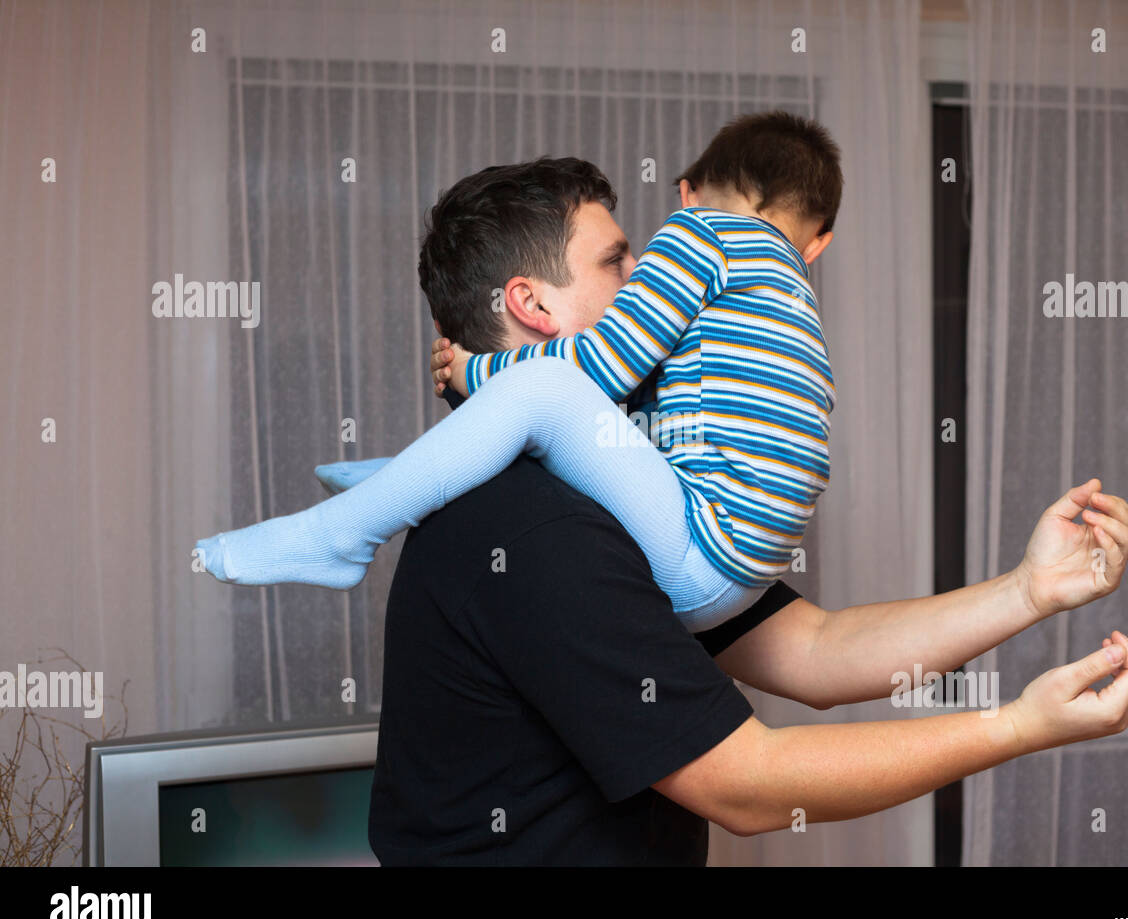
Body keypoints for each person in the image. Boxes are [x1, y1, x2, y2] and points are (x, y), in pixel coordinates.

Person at [353, 156, 1128, 863]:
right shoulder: (530, 522)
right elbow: (749, 786)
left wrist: (1030, 589)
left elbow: (814, 652)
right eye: (619, 264)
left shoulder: (618, 494)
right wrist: (1020, 725)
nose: (652, 281)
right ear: (532, 305)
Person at [193, 112, 840, 633]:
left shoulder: (700, 233)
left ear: (688, 192)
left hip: (702, 549)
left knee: (551, 388)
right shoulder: (787, 293)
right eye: (617, 261)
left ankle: (339, 534)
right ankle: (407, 478)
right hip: (741, 572)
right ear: (817, 243)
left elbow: (603, 368)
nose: (642, 268)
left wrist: (480, 372)